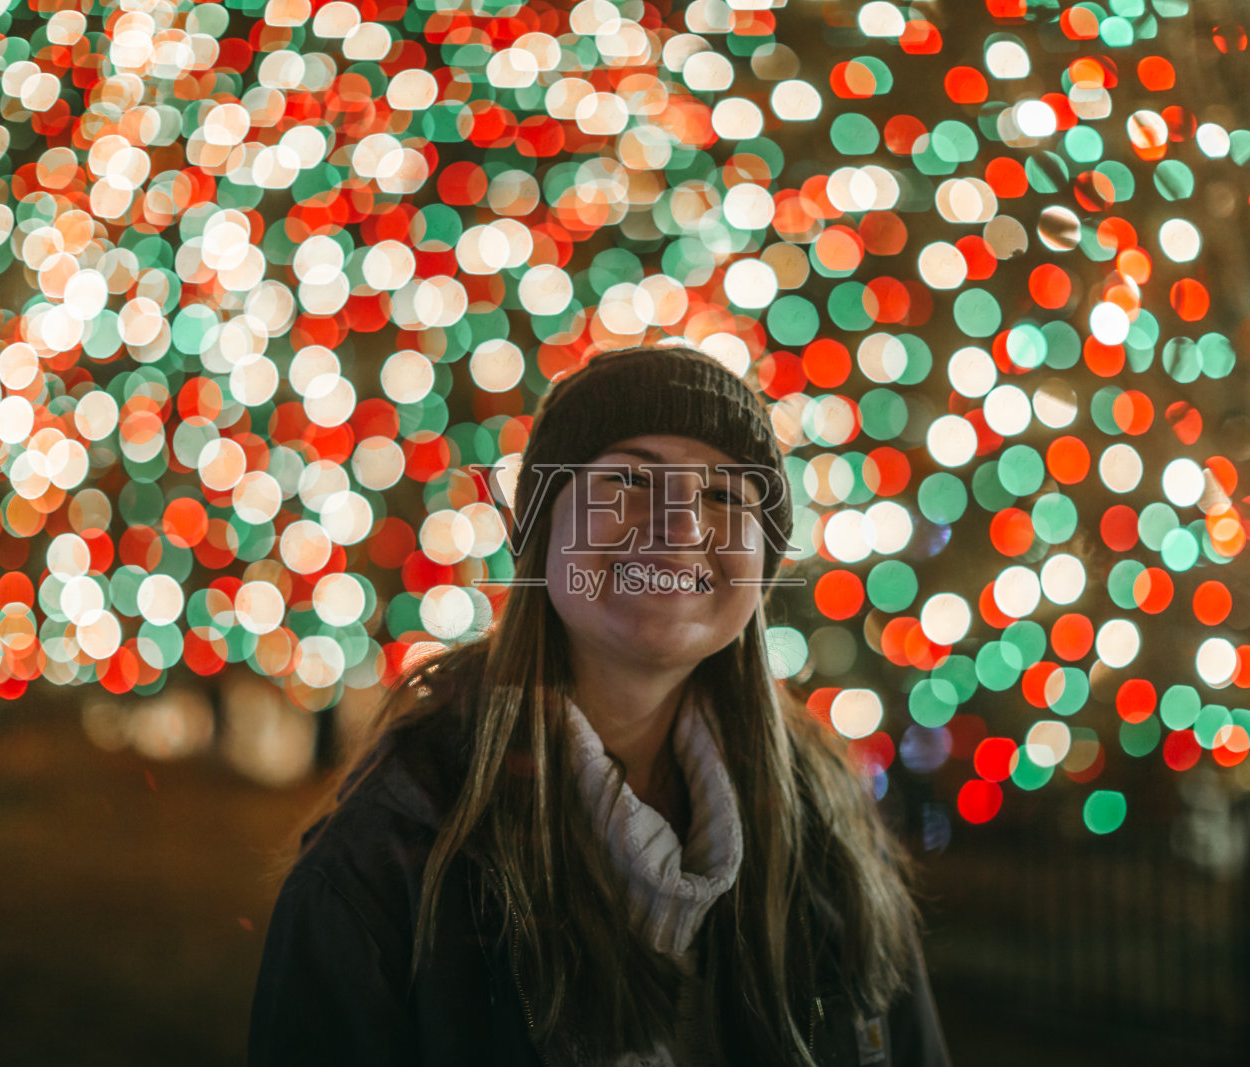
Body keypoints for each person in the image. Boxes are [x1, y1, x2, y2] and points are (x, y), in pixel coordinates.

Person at [248, 344, 951, 1066]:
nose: (679, 526)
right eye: (628, 480)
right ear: (539, 532)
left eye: (723, 495)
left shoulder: (829, 827)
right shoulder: (392, 861)